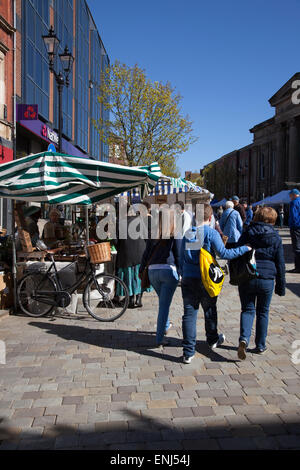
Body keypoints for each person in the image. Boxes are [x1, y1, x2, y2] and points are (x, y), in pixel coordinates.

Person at [180, 203, 251, 364]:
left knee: (189, 315)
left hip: (189, 278)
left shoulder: (188, 234)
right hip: (206, 278)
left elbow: (181, 257)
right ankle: (212, 339)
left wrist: (183, 273)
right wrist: (244, 249)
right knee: (210, 309)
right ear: (210, 217)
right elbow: (224, 253)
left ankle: (188, 352)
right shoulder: (210, 233)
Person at [235, 207, 286, 359]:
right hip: (267, 277)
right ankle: (260, 344)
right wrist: (281, 285)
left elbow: (238, 252)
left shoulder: (248, 233)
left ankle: (244, 338)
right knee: (263, 312)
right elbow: (280, 263)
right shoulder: (275, 237)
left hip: (248, 275)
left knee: (247, 310)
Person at [139, 210, 181, 347]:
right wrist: (182, 273)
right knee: (164, 305)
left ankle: (166, 324)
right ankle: (159, 338)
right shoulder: (175, 234)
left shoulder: (154, 235)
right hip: (168, 271)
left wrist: (141, 270)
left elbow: (146, 254)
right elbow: (179, 255)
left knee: (163, 301)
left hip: (152, 271)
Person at [115, 211, 146, 308]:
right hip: (141, 253)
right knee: (139, 276)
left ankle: (131, 299)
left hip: (126, 253)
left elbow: (115, 240)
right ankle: (139, 299)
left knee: (128, 277)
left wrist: (120, 247)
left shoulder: (120, 222)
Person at [288, 189, 300, 273]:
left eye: (290, 195)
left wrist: (292, 225)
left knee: (297, 247)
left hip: (296, 227)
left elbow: (293, 215)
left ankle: (298, 267)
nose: (290, 197)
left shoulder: (294, 202)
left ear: (293, 195)